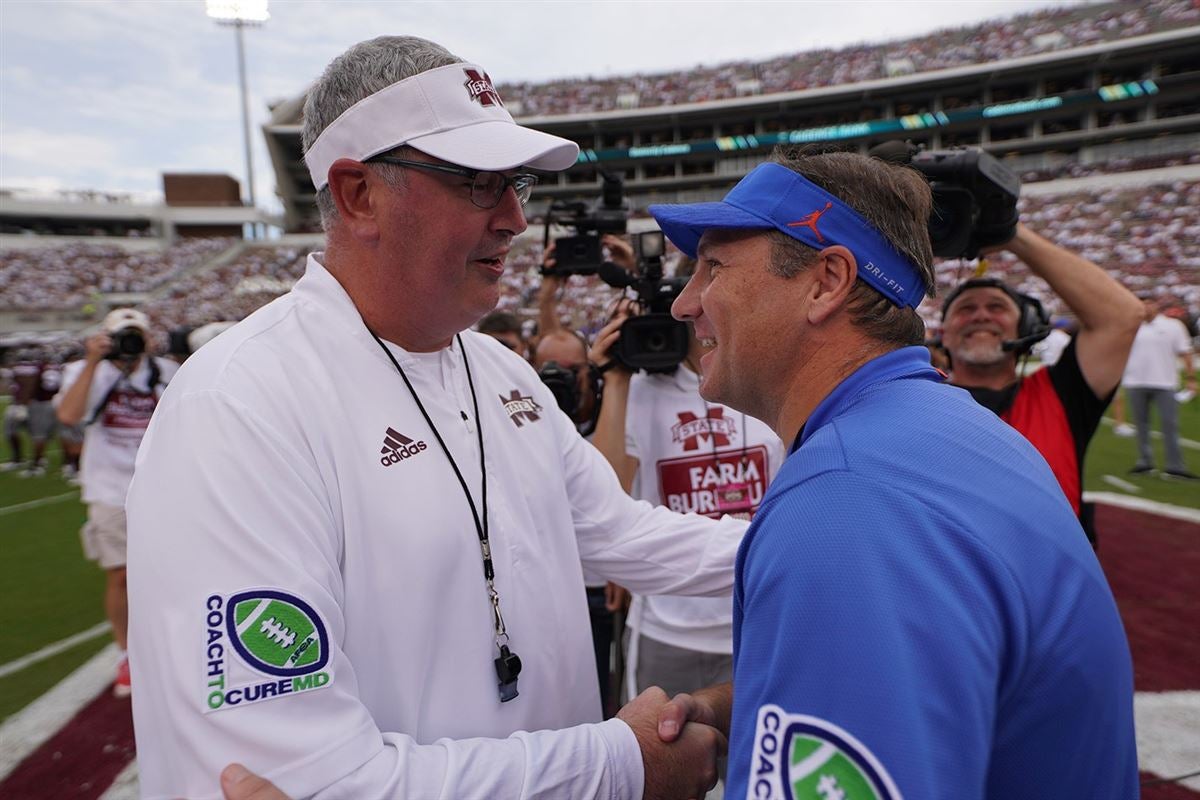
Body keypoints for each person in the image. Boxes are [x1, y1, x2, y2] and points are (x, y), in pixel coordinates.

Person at [126, 35, 738, 800]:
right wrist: (618, 765)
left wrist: (819, 538)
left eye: (515, 183)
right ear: (357, 195)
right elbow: (301, 781)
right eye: (479, 183)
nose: (516, 216)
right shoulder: (241, 405)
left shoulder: (498, 371)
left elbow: (622, 535)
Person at [643, 149, 1137, 798]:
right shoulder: (944, 431)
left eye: (712, 267)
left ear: (826, 282)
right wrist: (751, 702)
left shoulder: (847, 501)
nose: (684, 305)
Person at [939, 225, 1143, 544]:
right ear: (944, 335)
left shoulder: (1060, 393)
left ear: (1027, 329)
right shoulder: (917, 400)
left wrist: (1012, 234)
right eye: (965, 309)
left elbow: (1122, 316)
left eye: (996, 307)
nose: (981, 316)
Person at [53, 308, 178, 697]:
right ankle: (127, 652)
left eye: (135, 335)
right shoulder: (89, 371)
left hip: (161, 484)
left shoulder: (164, 371)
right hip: (109, 487)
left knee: (172, 573)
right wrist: (93, 362)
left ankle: (171, 645)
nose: (129, 344)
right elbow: (69, 415)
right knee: (120, 575)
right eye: (122, 335)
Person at [1123, 295, 1198, 479]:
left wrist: (1191, 378)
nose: (1146, 307)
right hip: (1135, 381)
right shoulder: (1130, 325)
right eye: (1142, 303)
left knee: (1169, 424)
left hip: (1164, 382)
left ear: (1156, 305)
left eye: (1149, 303)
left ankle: (1175, 466)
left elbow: (1185, 352)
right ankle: (1145, 462)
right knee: (1141, 425)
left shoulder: (1172, 326)